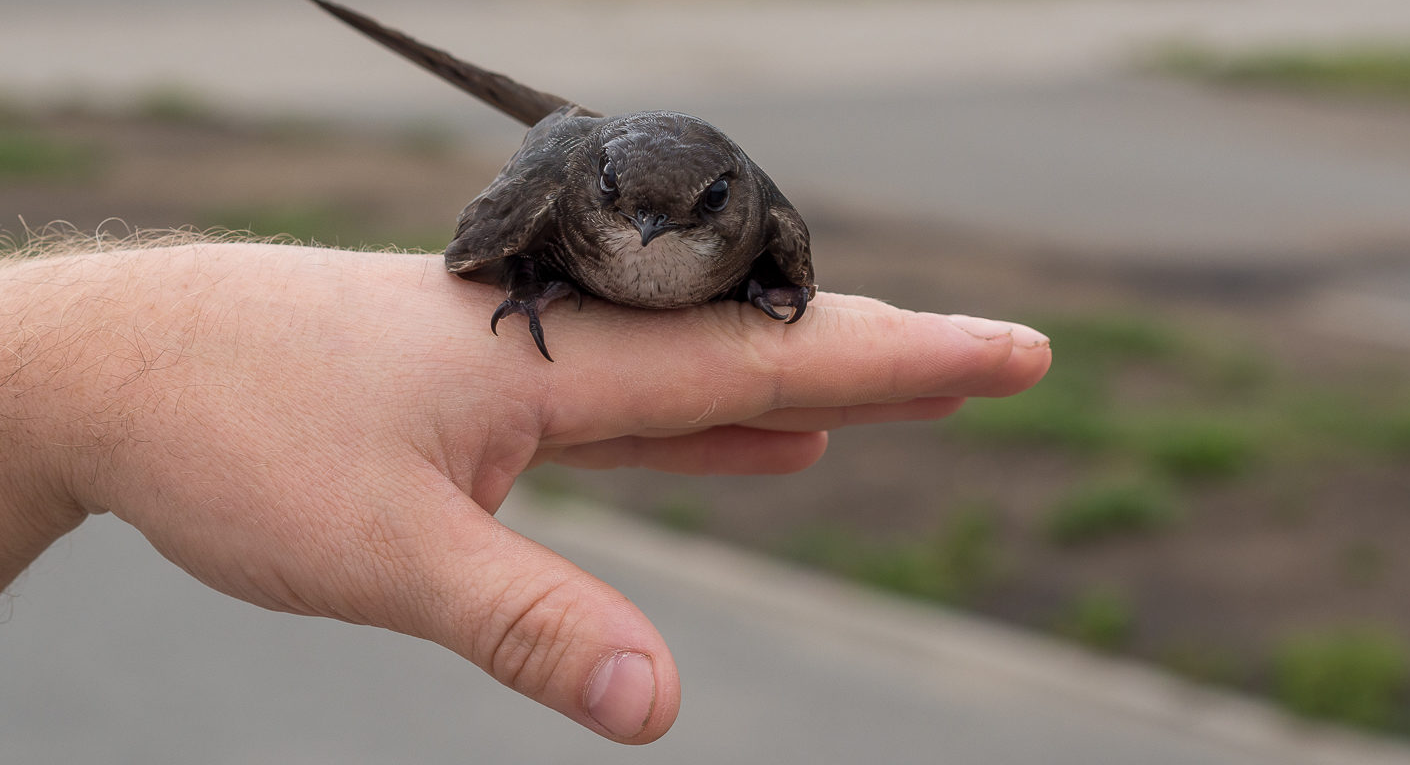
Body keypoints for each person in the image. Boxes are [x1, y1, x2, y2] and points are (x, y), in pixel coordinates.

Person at [0, 239, 1050, 743]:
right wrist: (90, 371)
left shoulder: (744, 211)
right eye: (626, 218)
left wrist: (64, 380)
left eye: (693, 218)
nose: (650, 237)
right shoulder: (573, 208)